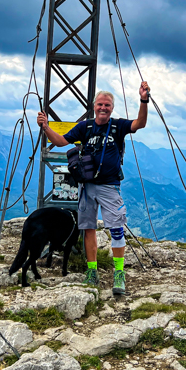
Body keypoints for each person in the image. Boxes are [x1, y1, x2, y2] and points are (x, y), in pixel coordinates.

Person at [37, 81, 150, 295]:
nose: (103, 108)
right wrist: (46, 127)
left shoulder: (118, 126)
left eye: (107, 105)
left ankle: (119, 274)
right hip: (87, 186)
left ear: (112, 108)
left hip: (109, 186)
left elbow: (140, 123)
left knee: (116, 229)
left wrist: (143, 99)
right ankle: (92, 271)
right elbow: (61, 142)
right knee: (88, 228)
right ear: (94, 106)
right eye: (100, 104)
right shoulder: (85, 127)